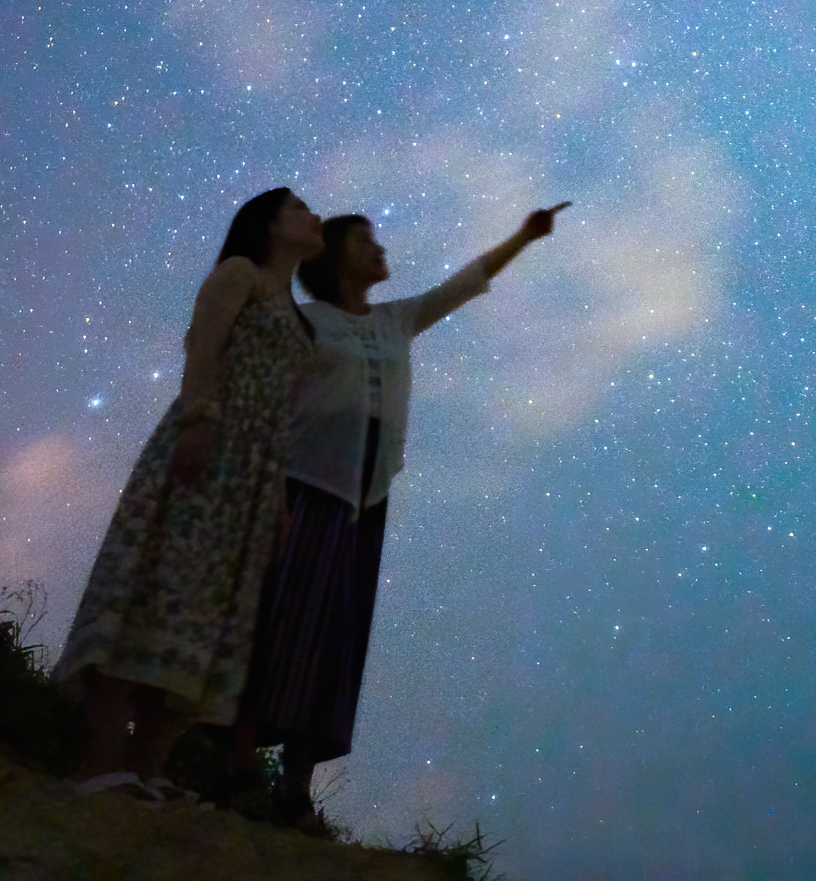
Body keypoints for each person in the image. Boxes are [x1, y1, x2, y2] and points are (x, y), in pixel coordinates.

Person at [235, 200, 566, 831]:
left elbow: (463, 284)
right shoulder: (306, 321)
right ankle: (235, 771)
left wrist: (524, 236)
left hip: (366, 500)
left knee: (334, 637)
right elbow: (266, 392)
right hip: (304, 487)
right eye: (367, 241)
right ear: (335, 258)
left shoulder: (395, 319)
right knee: (276, 621)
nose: (381, 250)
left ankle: (294, 792)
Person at [54, 186, 326, 800]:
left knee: (207, 614)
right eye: (299, 209)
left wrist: (278, 493)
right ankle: (98, 760)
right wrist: (198, 422)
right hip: (211, 448)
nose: (315, 217)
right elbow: (202, 346)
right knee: (155, 585)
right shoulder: (241, 274)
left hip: (254, 479)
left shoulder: (297, 315)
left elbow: (287, 409)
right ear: (268, 224)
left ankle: (151, 766)